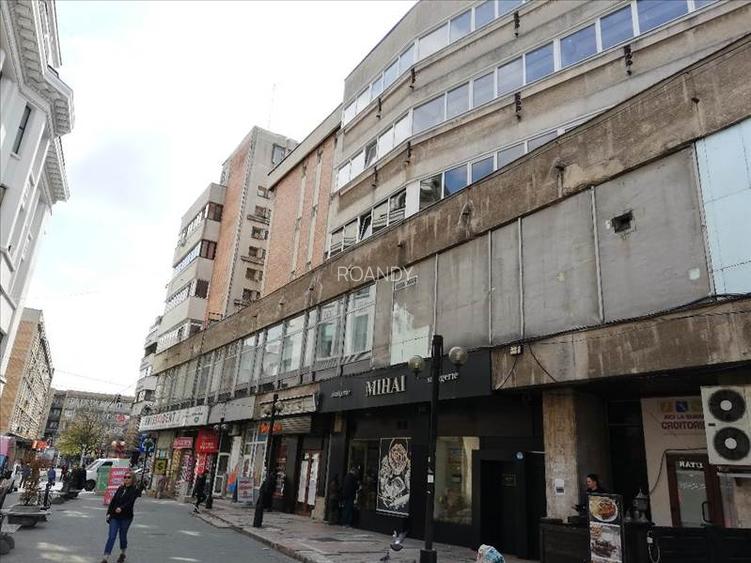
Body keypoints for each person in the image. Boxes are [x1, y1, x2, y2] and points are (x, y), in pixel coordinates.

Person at [101, 472, 140, 563]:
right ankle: (105, 558)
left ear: (132, 479)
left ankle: (123, 553)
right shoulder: (120, 488)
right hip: (115, 516)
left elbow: (130, 502)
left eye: (129, 477)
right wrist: (108, 513)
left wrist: (121, 508)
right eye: (125, 477)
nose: (126, 479)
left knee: (122, 536)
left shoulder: (134, 490)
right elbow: (113, 501)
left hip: (126, 517)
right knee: (111, 536)